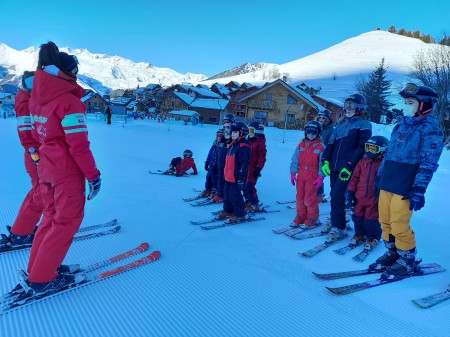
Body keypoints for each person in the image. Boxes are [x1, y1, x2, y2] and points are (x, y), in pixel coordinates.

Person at [22, 42, 101, 294]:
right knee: (66, 222)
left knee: (50, 219)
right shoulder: (69, 103)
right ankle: (42, 278)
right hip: (66, 172)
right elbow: (79, 146)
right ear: (68, 72)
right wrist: (93, 176)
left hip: (46, 168)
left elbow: (38, 135)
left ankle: (39, 269)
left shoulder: (36, 99)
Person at [369, 83, 444, 279]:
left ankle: (407, 258)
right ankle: (393, 252)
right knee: (385, 220)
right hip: (388, 180)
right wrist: (379, 178)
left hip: (406, 185)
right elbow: (388, 155)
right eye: (405, 102)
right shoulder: (399, 126)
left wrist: (419, 189)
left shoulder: (431, 131)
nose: (406, 105)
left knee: (399, 223)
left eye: (411, 102)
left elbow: (429, 163)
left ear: (425, 105)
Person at [0, 71, 43, 250]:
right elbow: (25, 134)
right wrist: (35, 155)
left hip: (37, 153)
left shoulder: (27, 98)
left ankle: (20, 230)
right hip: (35, 154)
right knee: (41, 195)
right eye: (31, 84)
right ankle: (21, 234)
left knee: (37, 192)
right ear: (26, 85)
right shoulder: (25, 101)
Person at [321, 94, 372, 240]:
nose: (347, 109)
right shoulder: (341, 124)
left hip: (349, 167)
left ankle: (339, 227)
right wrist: (325, 161)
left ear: (359, 108)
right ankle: (335, 220)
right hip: (335, 167)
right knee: (334, 195)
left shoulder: (364, 124)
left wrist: (349, 166)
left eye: (351, 106)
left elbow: (362, 147)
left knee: (338, 195)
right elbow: (331, 144)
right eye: (346, 105)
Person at [344, 135, 388, 250]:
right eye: (368, 147)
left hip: (374, 199)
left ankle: (373, 237)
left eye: (373, 149)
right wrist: (350, 193)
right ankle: (359, 234)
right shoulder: (362, 162)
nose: (369, 151)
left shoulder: (383, 164)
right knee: (357, 217)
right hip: (359, 197)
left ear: (382, 150)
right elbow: (354, 178)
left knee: (371, 219)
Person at [290, 121, 325, 227]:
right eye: (308, 132)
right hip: (301, 174)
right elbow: (295, 160)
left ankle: (312, 218)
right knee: (299, 197)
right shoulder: (301, 145)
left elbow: (322, 163)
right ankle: (300, 216)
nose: (310, 134)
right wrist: (292, 173)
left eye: (313, 132)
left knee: (309, 198)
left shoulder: (321, 147)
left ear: (318, 133)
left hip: (313, 175)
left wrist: (321, 176)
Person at [218, 122, 250, 222]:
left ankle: (240, 214)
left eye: (235, 132)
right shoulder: (232, 145)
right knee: (226, 194)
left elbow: (244, 164)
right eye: (232, 132)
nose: (232, 134)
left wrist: (241, 178)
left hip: (236, 177)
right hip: (228, 176)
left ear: (242, 133)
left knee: (235, 195)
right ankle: (228, 210)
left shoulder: (243, 147)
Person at [212, 113, 235, 203]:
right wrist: (218, 140)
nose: (226, 124)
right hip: (221, 153)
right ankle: (219, 192)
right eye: (225, 122)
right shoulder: (221, 131)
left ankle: (224, 193)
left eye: (228, 122)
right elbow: (217, 143)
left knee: (228, 173)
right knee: (220, 171)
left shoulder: (234, 131)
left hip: (230, 154)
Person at [244, 121, 267, 212]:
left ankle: (254, 203)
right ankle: (248, 201)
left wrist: (258, 168)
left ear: (257, 132)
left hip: (253, 170)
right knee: (244, 186)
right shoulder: (249, 141)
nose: (250, 133)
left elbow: (262, 158)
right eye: (249, 131)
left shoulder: (260, 144)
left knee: (249, 186)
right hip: (246, 168)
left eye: (252, 131)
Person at [316, 109, 334, 202]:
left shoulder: (330, 130)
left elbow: (331, 144)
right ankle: (312, 192)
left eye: (323, 117)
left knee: (320, 174)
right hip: (314, 154)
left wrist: (327, 157)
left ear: (327, 119)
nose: (321, 119)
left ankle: (319, 195)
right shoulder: (316, 127)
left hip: (324, 155)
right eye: (319, 117)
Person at [200, 129, 223, 197]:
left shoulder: (223, 144)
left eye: (220, 135)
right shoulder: (215, 143)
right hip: (212, 164)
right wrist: (207, 161)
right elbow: (210, 153)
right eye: (217, 135)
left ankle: (216, 190)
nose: (218, 136)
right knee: (208, 176)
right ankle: (208, 189)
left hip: (218, 165)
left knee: (216, 178)